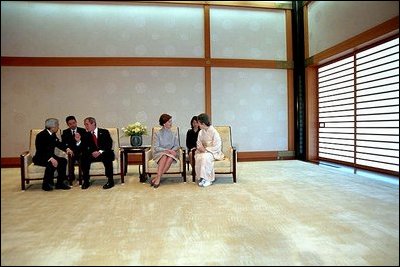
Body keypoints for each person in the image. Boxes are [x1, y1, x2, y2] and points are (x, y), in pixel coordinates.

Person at [32, 118, 72, 191]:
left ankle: (60, 183)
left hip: (51, 156)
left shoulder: (53, 134)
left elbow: (58, 143)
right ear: (52, 127)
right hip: (41, 157)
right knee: (51, 164)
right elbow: (40, 150)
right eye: (57, 125)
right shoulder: (41, 135)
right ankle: (46, 184)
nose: (58, 127)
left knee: (63, 161)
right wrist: (50, 158)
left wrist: (67, 148)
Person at [76, 117, 115, 189]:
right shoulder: (86, 135)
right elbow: (83, 148)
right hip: (92, 155)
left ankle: (110, 180)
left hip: (103, 153)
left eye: (87, 124)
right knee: (83, 157)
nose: (86, 127)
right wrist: (78, 141)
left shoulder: (104, 132)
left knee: (107, 157)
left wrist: (99, 152)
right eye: (85, 125)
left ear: (93, 123)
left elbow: (109, 144)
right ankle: (86, 181)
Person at [150, 113, 180, 188]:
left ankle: (157, 178)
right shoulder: (157, 133)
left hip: (171, 153)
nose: (171, 123)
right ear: (164, 123)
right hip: (160, 153)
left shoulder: (174, 133)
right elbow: (156, 147)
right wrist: (167, 150)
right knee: (164, 156)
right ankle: (158, 179)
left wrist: (172, 151)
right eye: (169, 122)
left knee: (169, 158)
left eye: (171, 121)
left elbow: (177, 145)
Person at [194, 113, 224, 187]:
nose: (198, 125)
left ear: (203, 123)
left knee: (205, 157)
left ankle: (208, 179)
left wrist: (206, 149)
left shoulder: (214, 132)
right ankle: (202, 178)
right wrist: (201, 149)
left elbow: (217, 146)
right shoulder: (201, 132)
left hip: (213, 152)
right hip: (203, 151)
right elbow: (198, 143)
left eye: (199, 123)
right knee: (198, 157)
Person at [61, 115, 86, 182]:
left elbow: (85, 143)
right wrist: (68, 149)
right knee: (70, 157)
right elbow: (64, 144)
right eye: (70, 124)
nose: (73, 125)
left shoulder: (82, 131)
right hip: (71, 152)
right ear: (67, 125)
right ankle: (71, 177)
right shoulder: (65, 132)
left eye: (74, 123)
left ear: (76, 122)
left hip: (81, 151)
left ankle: (83, 176)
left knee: (83, 156)